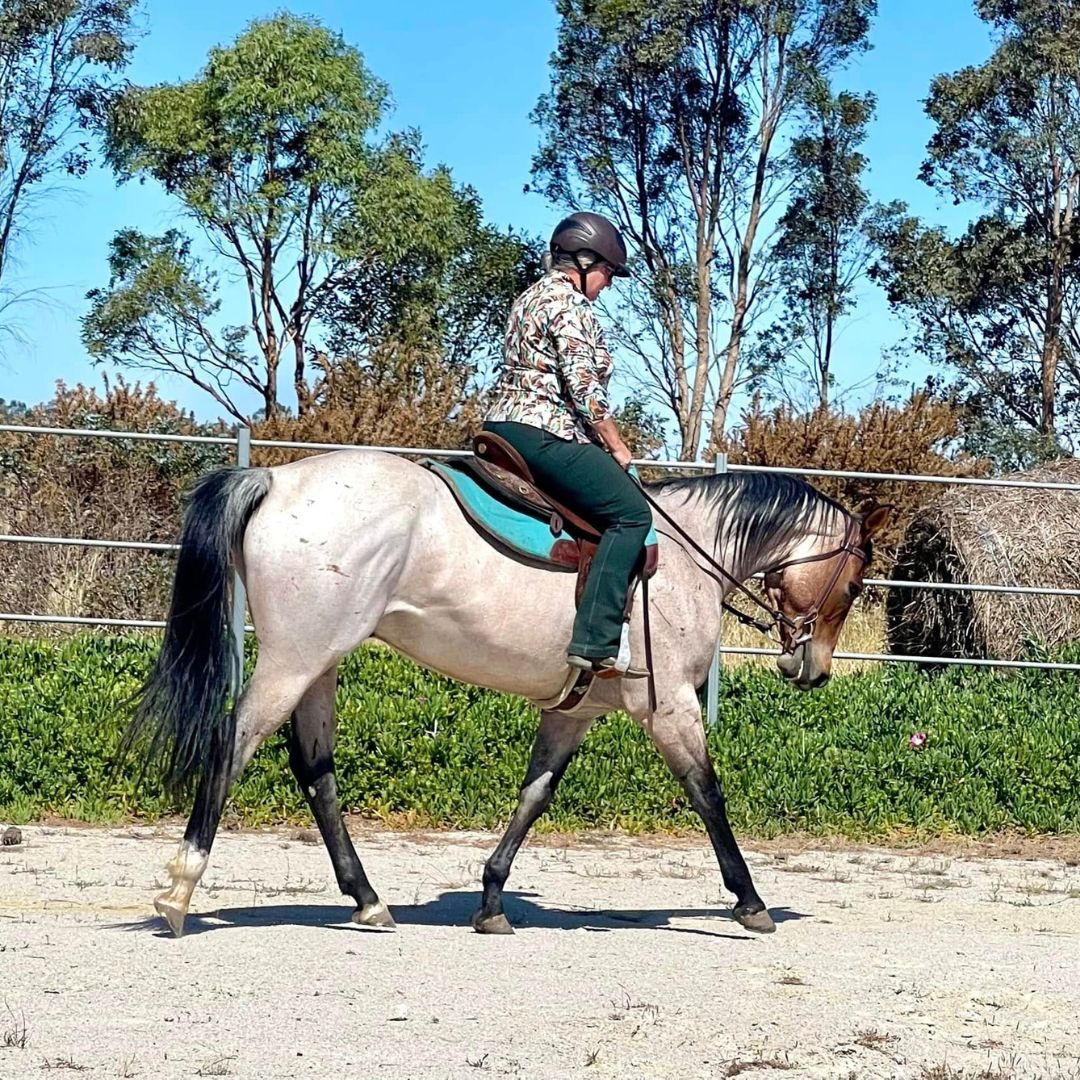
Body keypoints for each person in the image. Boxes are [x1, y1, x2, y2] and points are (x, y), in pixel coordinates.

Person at [482, 211, 652, 675]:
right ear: (582, 260)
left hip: (502, 425)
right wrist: (616, 444)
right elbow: (584, 387)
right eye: (608, 272)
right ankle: (596, 641)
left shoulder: (528, 298)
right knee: (631, 514)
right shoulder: (570, 305)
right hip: (545, 430)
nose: (609, 283)